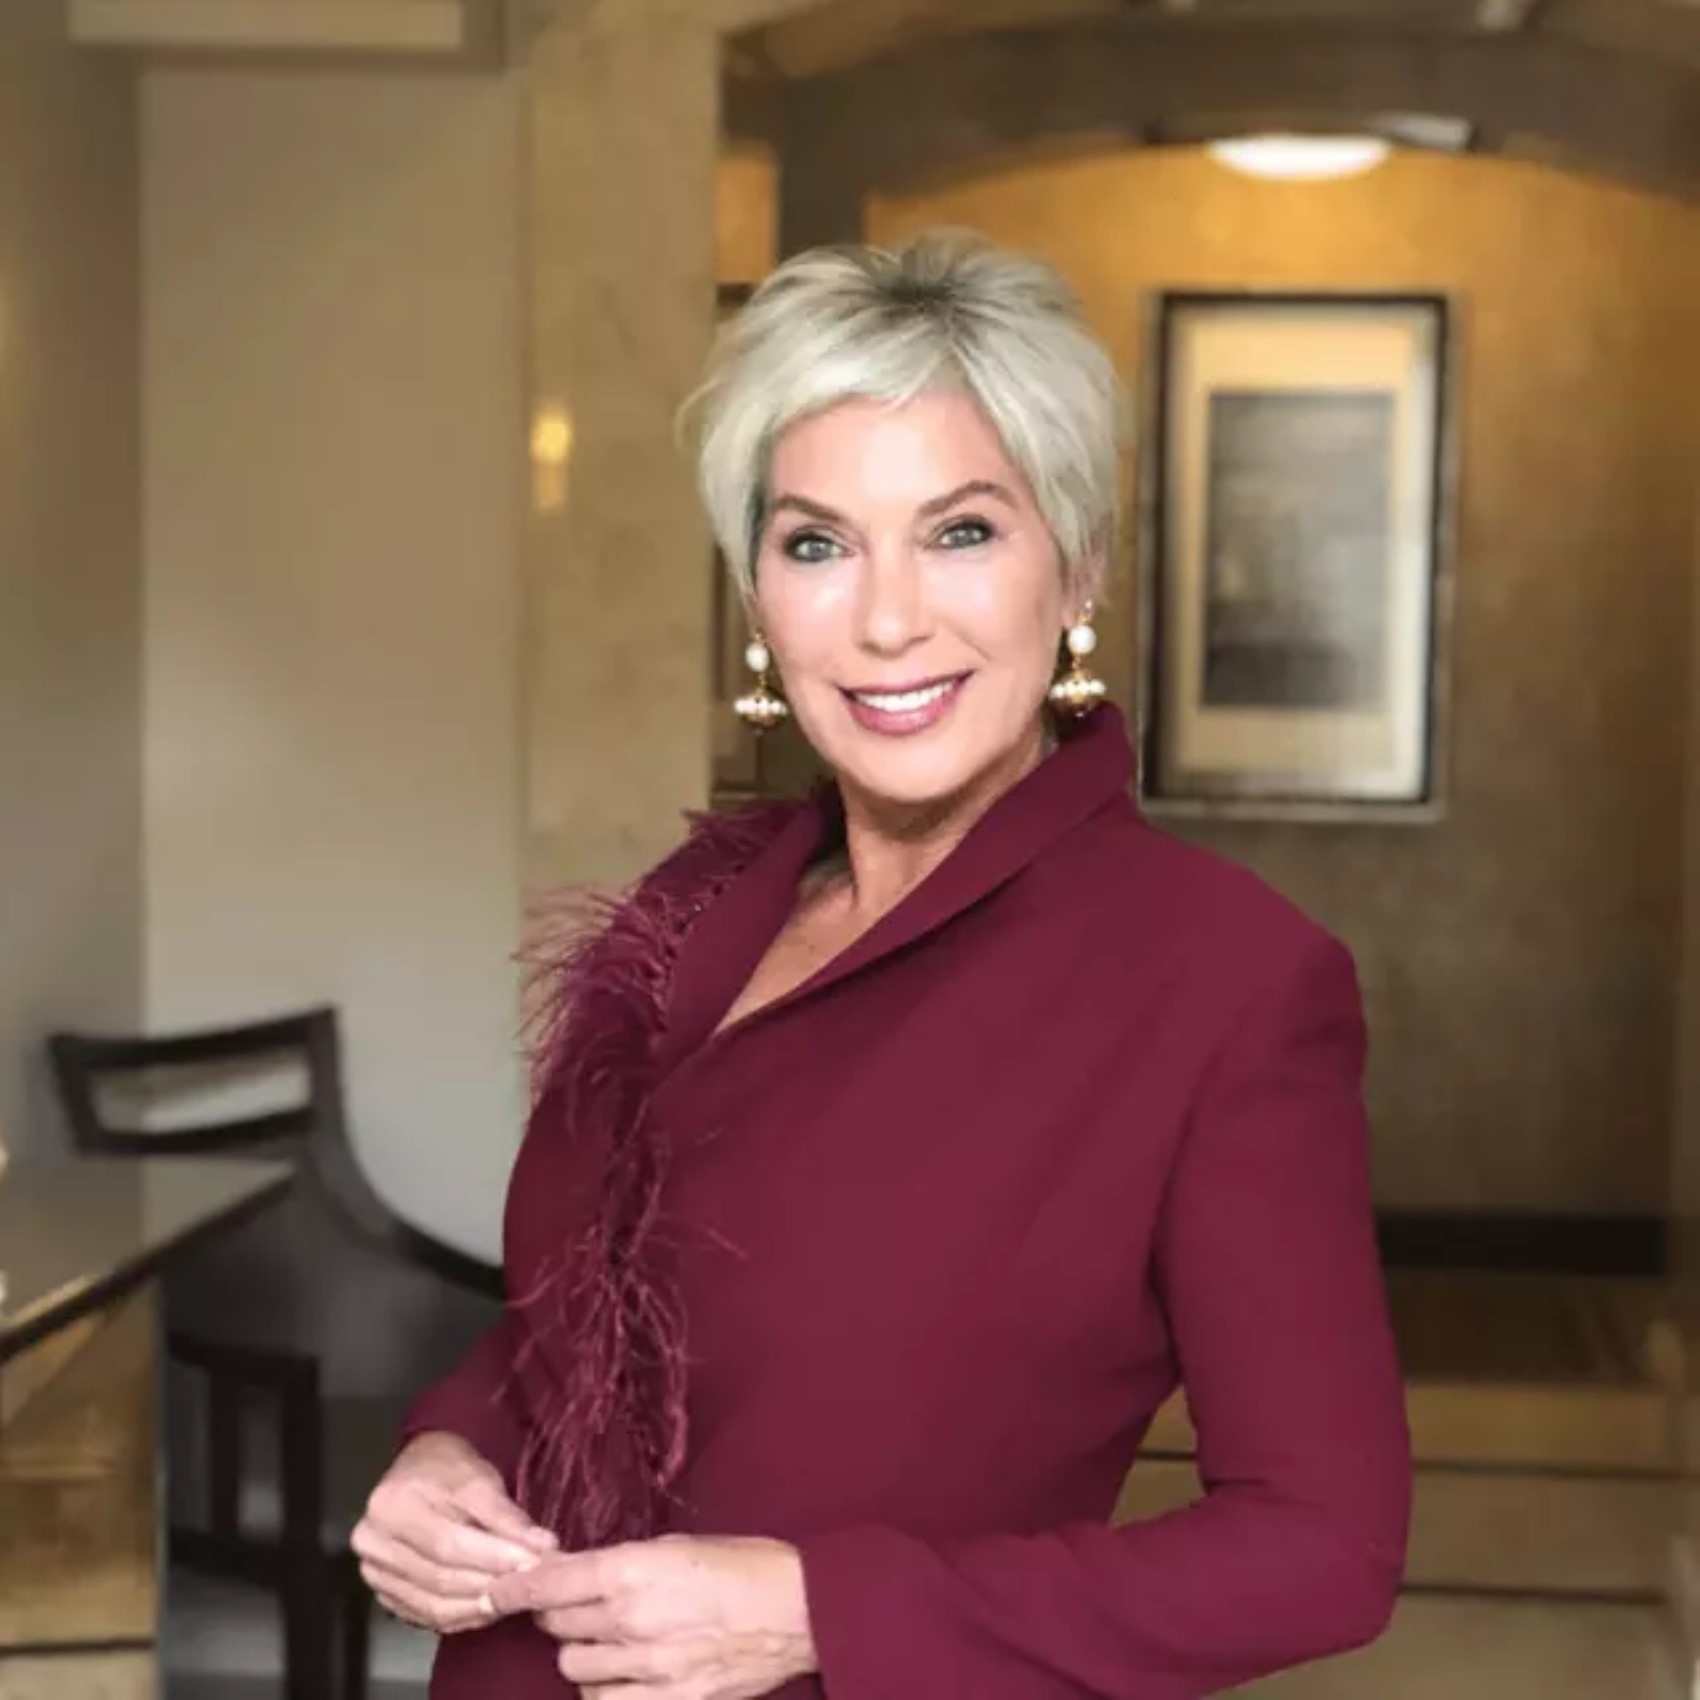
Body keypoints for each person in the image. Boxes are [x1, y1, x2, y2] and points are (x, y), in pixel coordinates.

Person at [352, 232, 1412, 1700]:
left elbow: (1322, 1548)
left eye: (961, 531)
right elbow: (585, 1325)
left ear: (1078, 567)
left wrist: (823, 1614)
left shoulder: (1226, 983)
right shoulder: (701, 906)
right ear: (757, 599)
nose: (888, 618)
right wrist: (448, 1450)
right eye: (818, 544)